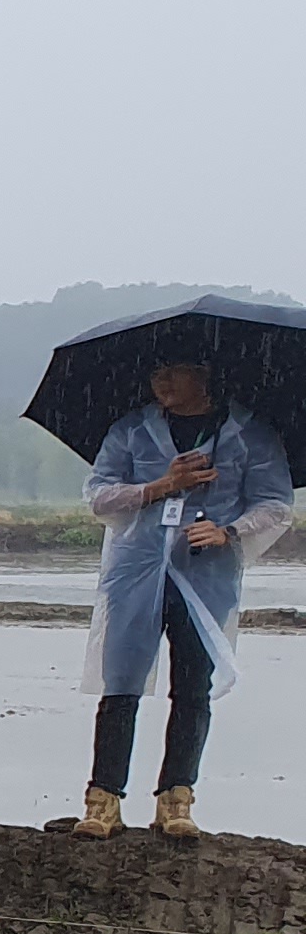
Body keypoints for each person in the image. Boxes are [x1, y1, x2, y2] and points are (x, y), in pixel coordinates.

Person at [78, 355, 294, 837]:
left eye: (173, 371)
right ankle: (103, 799)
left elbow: (275, 503)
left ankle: (176, 799)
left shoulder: (249, 432)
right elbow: (98, 496)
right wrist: (160, 486)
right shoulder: (132, 429)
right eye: (155, 372)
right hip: (135, 570)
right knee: (121, 686)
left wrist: (229, 530)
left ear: (204, 373)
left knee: (193, 687)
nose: (162, 381)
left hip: (204, 575)